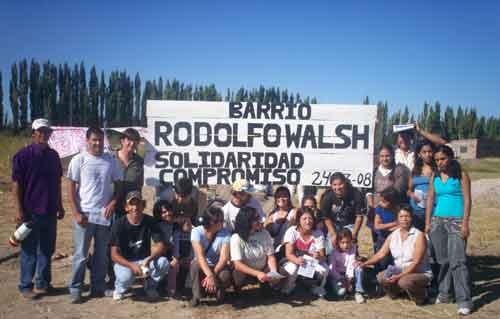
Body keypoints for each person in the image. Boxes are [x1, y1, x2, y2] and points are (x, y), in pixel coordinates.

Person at [67, 126, 123, 303]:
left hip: (103, 216)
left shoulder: (110, 160)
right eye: (94, 140)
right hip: (84, 215)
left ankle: (97, 287)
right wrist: (76, 212)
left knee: (101, 254)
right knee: (81, 254)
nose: (97, 143)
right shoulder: (79, 160)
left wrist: (113, 202)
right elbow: (70, 188)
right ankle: (76, 288)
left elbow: (119, 185)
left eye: (100, 139)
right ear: (87, 140)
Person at [12, 119, 65, 299]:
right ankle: (26, 285)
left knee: (47, 249)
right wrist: (19, 210)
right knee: (28, 250)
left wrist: (60, 205)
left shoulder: (54, 156)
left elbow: (57, 182)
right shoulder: (23, 156)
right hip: (30, 211)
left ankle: (43, 283)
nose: (44, 135)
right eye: (40, 132)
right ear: (33, 133)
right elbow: (16, 184)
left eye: (47, 132)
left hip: (50, 210)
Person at [425, 145, 472, 316]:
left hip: (457, 221)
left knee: (458, 261)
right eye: (437, 160)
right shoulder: (435, 176)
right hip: (438, 222)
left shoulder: (461, 175)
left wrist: (465, 223)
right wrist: (428, 222)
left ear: (450, 158)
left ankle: (464, 300)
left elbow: (467, 200)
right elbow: (430, 198)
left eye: (442, 159)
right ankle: (445, 293)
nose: (439, 162)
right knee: (442, 260)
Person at [359, 206, 432, 306]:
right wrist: (364, 263)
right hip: (399, 270)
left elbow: (416, 262)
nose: (404, 219)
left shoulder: (419, 235)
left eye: (407, 216)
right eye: (401, 216)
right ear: (397, 219)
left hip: (419, 272)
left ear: (412, 218)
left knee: (404, 281)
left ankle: (422, 297)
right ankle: (399, 293)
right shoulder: (393, 235)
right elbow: (381, 254)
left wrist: (399, 276)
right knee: (381, 277)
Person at [110, 191, 169, 301]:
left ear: (143, 205)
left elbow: (161, 245)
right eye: (132, 204)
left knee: (163, 263)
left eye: (138, 204)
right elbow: (113, 255)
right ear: (126, 207)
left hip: (144, 260)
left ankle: (150, 287)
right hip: (125, 261)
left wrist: (149, 259)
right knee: (126, 277)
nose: (135, 207)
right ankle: (120, 289)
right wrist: (131, 265)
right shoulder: (118, 224)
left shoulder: (150, 221)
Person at [366, 144, 410, 252]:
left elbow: (398, 190)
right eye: (382, 156)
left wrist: (385, 202)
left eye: (387, 156)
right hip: (377, 212)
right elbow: (368, 191)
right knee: (377, 242)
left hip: (393, 212)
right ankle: (379, 265)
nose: (385, 158)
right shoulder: (373, 171)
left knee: (395, 242)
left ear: (393, 156)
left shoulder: (400, 170)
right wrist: (372, 206)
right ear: (378, 157)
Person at [231, 207, 284, 290]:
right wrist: (257, 273)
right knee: (237, 274)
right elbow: (237, 264)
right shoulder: (236, 238)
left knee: (282, 271)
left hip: (263, 268)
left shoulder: (264, 233)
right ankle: (238, 290)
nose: (259, 220)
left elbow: (270, 256)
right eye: (256, 219)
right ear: (247, 221)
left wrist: (273, 271)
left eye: (258, 217)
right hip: (246, 271)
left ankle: (268, 287)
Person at [281, 208, 328, 297]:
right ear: (299, 220)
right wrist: (296, 260)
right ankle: (287, 288)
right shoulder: (292, 231)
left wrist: (318, 256)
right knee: (292, 268)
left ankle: (315, 287)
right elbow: (288, 254)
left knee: (324, 270)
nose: (308, 221)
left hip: (310, 262)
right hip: (292, 260)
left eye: (310, 218)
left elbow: (323, 256)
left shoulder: (318, 233)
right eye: (304, 219)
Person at [190, 206, 232, 306]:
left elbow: (224, 258)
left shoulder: (225, 233)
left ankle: (218, 294)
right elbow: (200, 256)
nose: (223, 223)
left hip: (217, 265)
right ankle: (197, 296)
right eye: (221, 220)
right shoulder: (196, 232)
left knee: (225, 273)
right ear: (212, 222)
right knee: (195, 265)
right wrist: (209, 275)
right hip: (202, 264)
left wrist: (212, 274)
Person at [320, 172, 366, 249]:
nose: (338, 187)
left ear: (345, 183)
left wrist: (354, 234)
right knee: (331, 246)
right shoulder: (327, 196)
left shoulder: (356, 194)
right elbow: (326, 218)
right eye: (334, 185)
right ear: (331, 185)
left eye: (340, 184)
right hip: (334, 224)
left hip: (350, 223)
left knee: (348, 245)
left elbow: (359, 217)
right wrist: (333, 234)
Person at [114, 128, 143, 221]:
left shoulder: (139, 161)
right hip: (112, 207)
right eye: (129, 140)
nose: (132, 143)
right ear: (122, 141)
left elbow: (140, 184)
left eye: (135, 141)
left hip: (131, 209)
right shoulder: (110, 158)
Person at [328, 229, 365, 303]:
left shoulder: (353, 248)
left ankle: (358, 292)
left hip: (349, 274)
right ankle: (344, 290)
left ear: (351, 241)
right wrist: (342, 279)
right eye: (343, 242)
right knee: (341, 292)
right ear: (338, 243)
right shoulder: (333, 252)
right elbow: (332, 270)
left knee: (359, 268)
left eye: (348, 242)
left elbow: (351, 264)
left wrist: (348, 280)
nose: (346, 245)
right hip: (338, 276)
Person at [408, 140, 436, 231]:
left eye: (430, 151)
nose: (427, 154)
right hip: (417, 210)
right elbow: (408, 190)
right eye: (424, 152)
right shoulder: (415, 170)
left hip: (433, 210)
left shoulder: (437, 169)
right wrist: (412, 195)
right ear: (419, 154)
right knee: (418, 237)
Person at [372, 187, 400, 271]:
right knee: (381, 261)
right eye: (380, 200)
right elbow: (377, 225)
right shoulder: (380, 209)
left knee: (394, 260)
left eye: (384, 201)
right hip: (383, 238)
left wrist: (390, 227)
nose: (380, 203)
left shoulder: (399, 210)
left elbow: (402, 226)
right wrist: (394, 224)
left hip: (396, 239)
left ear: (392, 202)